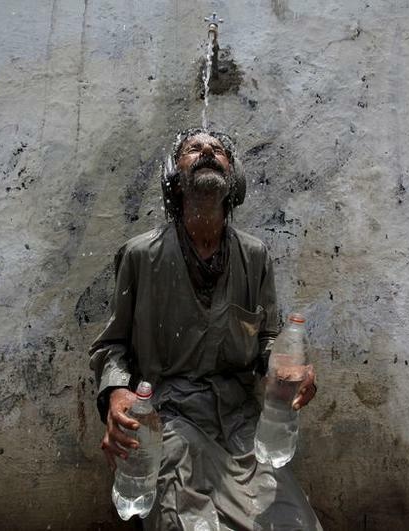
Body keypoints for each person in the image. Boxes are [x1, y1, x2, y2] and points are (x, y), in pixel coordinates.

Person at [89, 128, 321, 529]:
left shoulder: (254, 255)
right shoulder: (141, 255)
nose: (207, 152)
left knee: (292, 522)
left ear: (234, 178)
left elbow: (266, 338)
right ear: (173, 179)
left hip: (241, 423)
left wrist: (285, 370)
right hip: (169, 419)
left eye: (218, 150)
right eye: (193, 148)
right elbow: (112, 347)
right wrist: (116, 394)